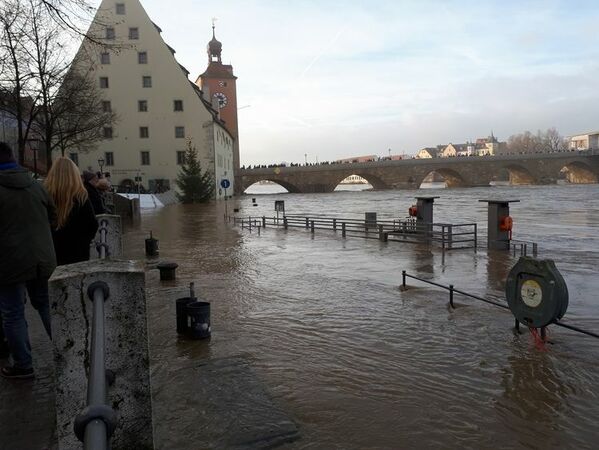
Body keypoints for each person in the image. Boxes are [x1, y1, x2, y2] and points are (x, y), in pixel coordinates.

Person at [0, 142, 56, 379]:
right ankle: (67, 353)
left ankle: (23, 365)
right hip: (42, 259)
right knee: (45, 305)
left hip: (9, 262)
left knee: (13, 313)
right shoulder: (36, 186)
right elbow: (53, 219)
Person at [45, 158, 99, 265]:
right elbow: (92, 225)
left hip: (51, 255)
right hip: (78, 256)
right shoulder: (81, 197)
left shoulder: (45, 195)